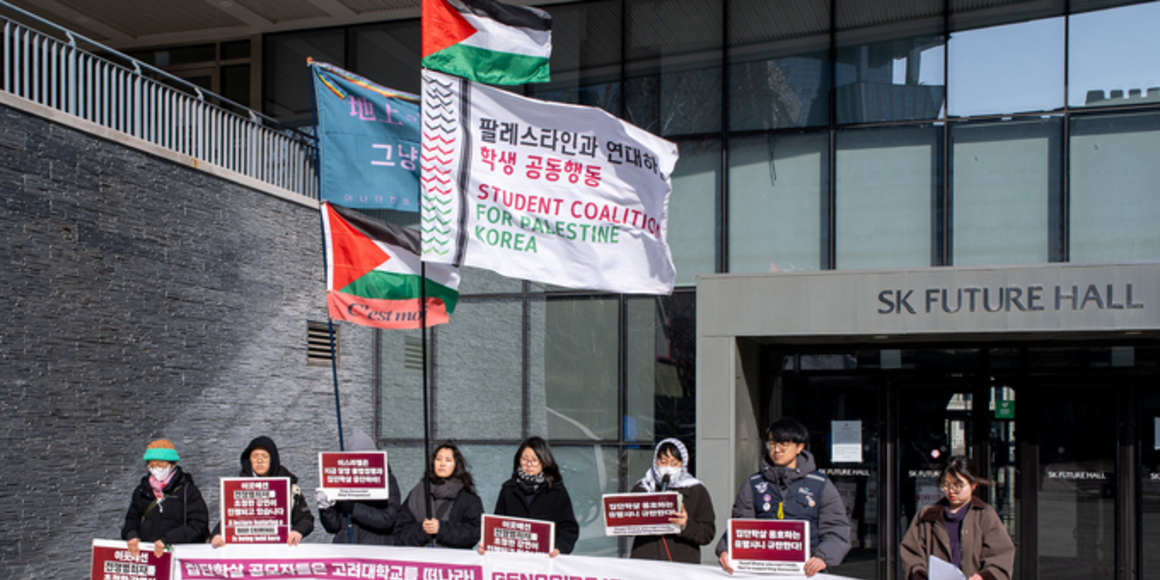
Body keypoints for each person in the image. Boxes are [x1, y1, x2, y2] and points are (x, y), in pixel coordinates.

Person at [715, 418, 850, 577]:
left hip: (806, 572)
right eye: (772, 443)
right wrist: (725, 550)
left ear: (800, 447)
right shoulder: (754, 484)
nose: (776, 450)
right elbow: (740, 527)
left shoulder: (820, 484)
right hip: (761, 571)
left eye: (783, 444)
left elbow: (836, 529)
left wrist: (822, 557)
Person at [900, 455, 1015, 580]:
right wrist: (919, 575)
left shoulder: (985, 515)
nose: (951, 490)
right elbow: (911, 554)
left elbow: (1001, 555)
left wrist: (983, 576)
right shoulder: (926, 516)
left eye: (958, 485)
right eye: (946, 485)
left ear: (973, 485)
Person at [210, 436, 314, 547]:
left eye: (264, 456)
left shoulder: (290, 488)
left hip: (279, 548)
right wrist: (217, 535)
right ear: (249, 460)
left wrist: (297, 531)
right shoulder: (238, 488)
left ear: (272, 459)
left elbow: (306, 519)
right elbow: (229, 519)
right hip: (246, 548)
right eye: (255, 456)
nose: (259, 460)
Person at [629, 438, 716, 563]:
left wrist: (686, 525)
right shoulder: (642, 488)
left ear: (683, 464)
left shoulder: (696, 490)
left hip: (681, 563)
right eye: (663, 462)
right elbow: (626, 525)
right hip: (645, 562)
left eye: (674, 463)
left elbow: (708, 533)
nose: (668, 468)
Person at [490, 436, 580, 556]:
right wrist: (488, 544)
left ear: (544, 462)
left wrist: (559, 548)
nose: (529, 464)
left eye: (535, 459)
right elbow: (498, 526)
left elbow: (568, 528)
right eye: (524, 459)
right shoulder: (508, 489)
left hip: (547, 558)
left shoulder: (557, 490)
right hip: (514, 558)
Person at [121, 440, 210, 557]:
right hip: (149, 555)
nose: (155, 470)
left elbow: (198, 524)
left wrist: (167, 539)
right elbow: (132, 519)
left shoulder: (188, 491)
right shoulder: (142, 491)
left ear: (173, 465)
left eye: (160, 465)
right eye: (151, 466)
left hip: (180, 556)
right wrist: (131, 535)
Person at [316, 429, 403, 545]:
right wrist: (326, 509)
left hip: (376, 547)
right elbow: (333, 527)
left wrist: (354, 508)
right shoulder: (340, 479)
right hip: (346, 547)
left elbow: (388, 519)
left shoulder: (387, 480)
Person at [395, 442, 483, 548]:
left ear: (456, 464)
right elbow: (399, 533)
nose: (442, 464)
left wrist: (441, 529)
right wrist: (422, 530)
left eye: (448, 460)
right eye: (438, 459)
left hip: (453, 557)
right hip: (420, 556)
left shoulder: (467, 497)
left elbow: (474, 533)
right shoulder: (418, 492)